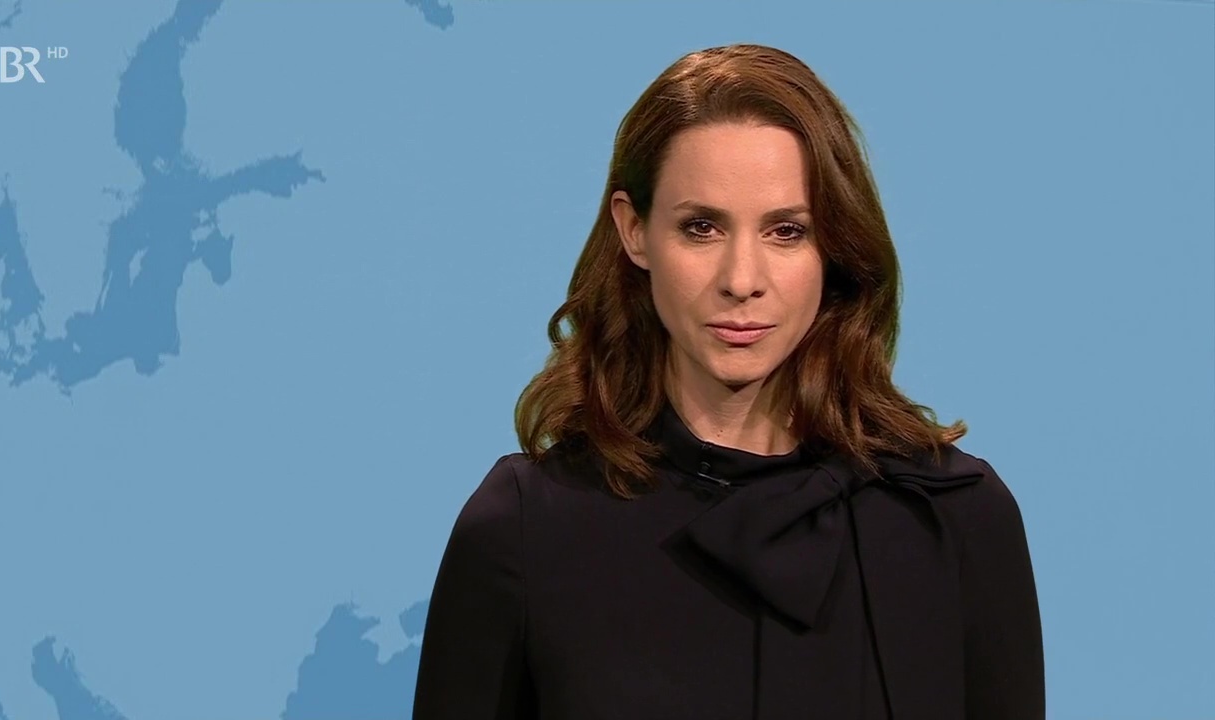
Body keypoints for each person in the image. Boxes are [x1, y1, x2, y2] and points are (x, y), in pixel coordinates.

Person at [411, 43, 1044, 719]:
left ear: (834, 246)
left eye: (786, 231)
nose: (742, 280)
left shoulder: (957, 521)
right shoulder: (523, 531)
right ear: (634, 230)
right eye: (702, 227)